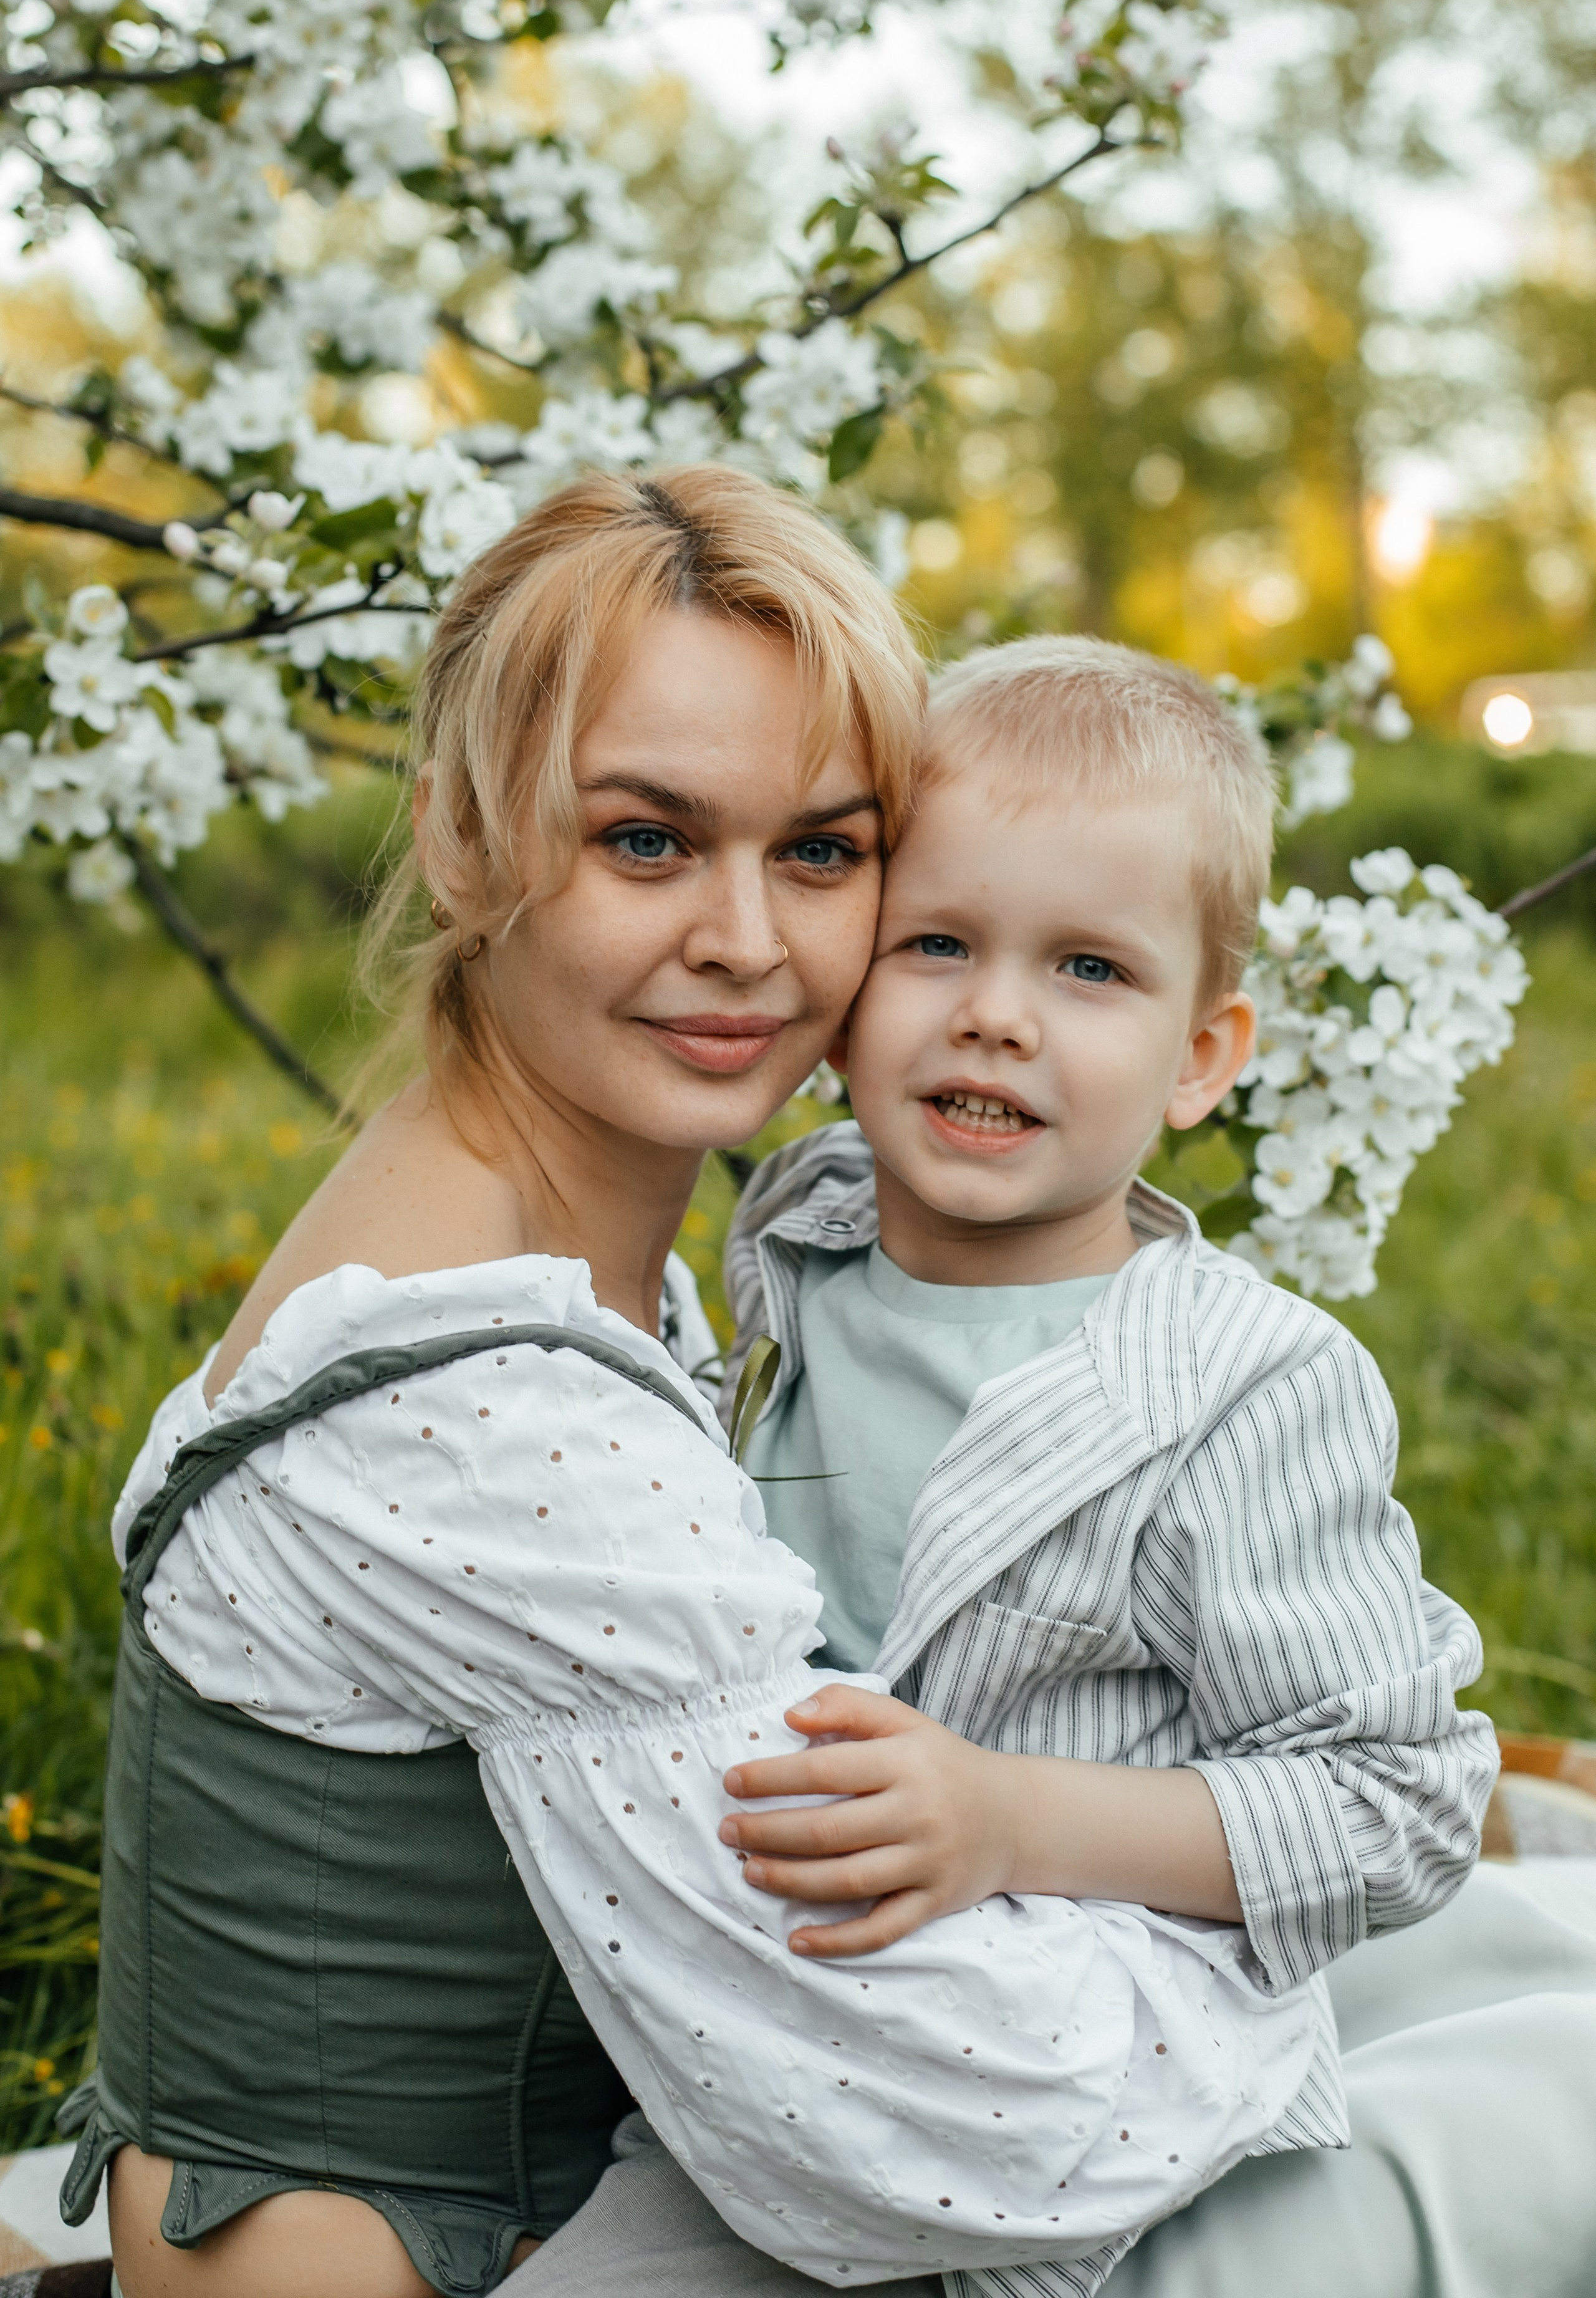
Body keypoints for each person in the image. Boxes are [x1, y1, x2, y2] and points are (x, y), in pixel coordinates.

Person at [69, 482, 1317, 2298]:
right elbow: (986, 2125)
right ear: (461, 842)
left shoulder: (508, 1250)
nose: (748, 938)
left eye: (822, 851)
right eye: (648, 842)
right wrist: (1288, 1961)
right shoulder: (487, 1415)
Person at [511, 630, 1592, 2298]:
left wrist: (1009, 1818)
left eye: (1089, 970)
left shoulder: (1240, 1393)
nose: (998, 1017)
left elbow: (1394, 1802)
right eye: (936, 942)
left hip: (1108, 2093)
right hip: (770, 2040)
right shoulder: (793, 1238)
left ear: (1203, 1057)